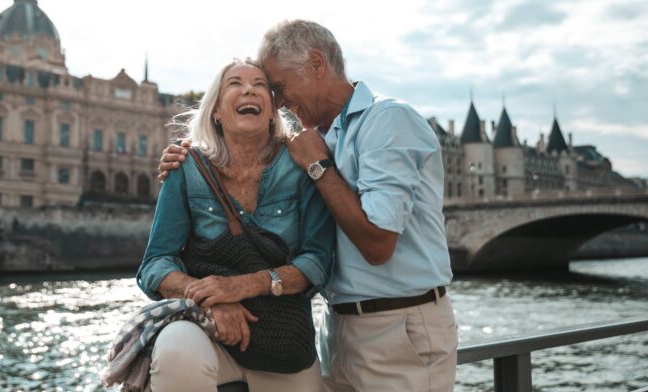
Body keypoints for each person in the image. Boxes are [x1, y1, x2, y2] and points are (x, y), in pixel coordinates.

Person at [158, 21, 457, 392]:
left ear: (316, 64)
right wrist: (187, 156)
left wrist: (318, 167)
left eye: (277, 87)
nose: (279, 102)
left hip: (400, 325)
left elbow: (378, 244)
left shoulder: (388, 120)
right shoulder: (320, 136)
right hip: (339, 328)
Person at [137, 58, 335, 392]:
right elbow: (154, 265)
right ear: (215, 110)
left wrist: (243, 286)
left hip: (285, 342)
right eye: (235, 83)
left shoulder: (301, 165)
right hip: (207, 331)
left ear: (272, 111)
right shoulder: (187, 167)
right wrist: (210, 299)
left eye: (260, 85)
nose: (249, 89)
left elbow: (317, 262)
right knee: (175, 349)